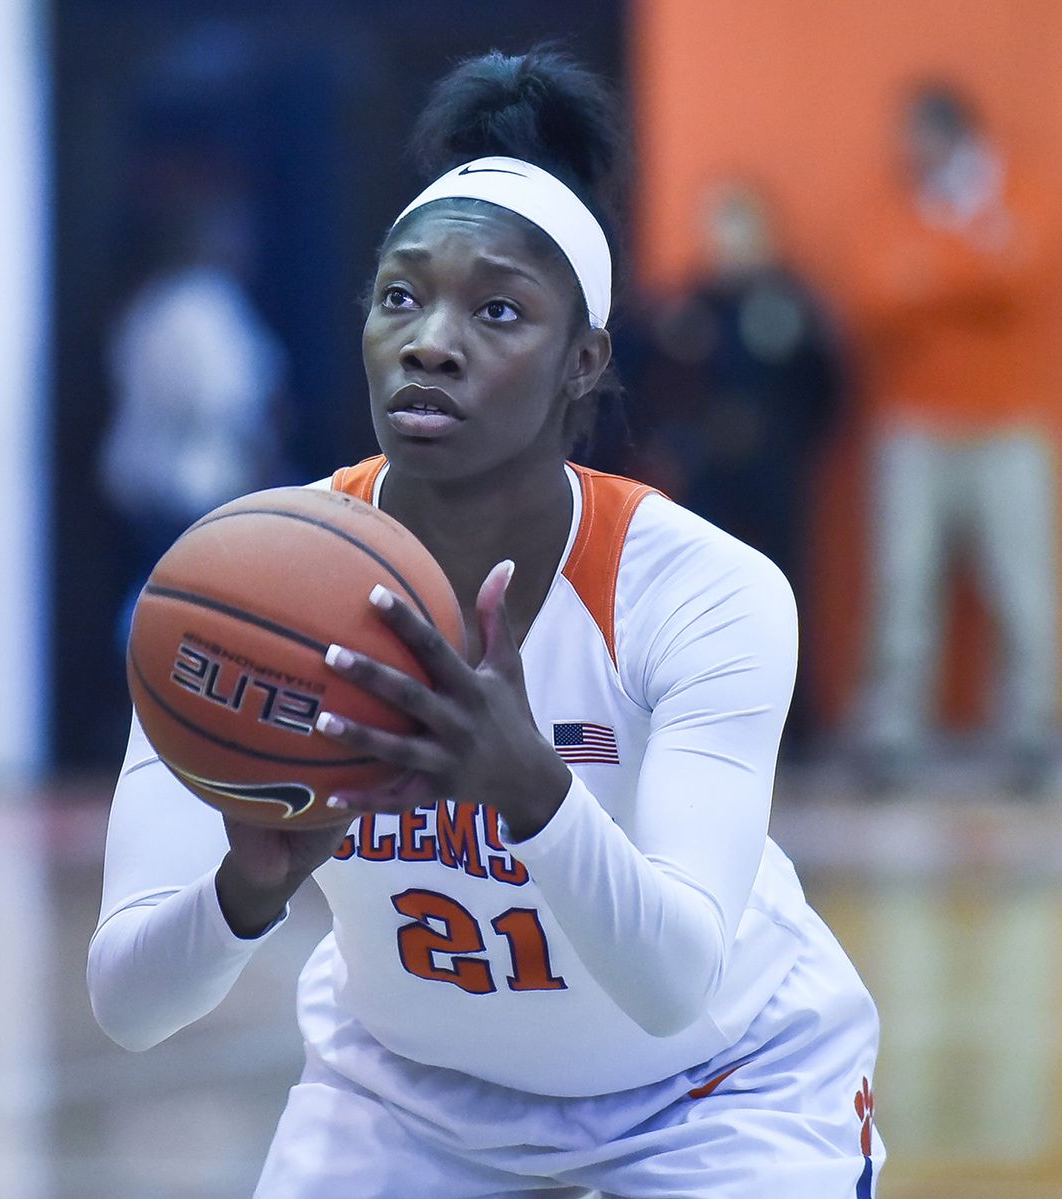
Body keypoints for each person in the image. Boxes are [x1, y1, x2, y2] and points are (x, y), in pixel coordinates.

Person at [88, 48, 883, 1198]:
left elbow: (675, 984)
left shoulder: (701, 589)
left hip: (715, 1086)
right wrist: (241, 895)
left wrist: (534, 789)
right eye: (402, 295)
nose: (432, 340)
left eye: (497, 310)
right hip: (407, 1093)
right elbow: (128, 1001)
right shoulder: (240, 590)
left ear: (585, 362)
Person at [853, 82, 1060, 795]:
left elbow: (1024, 274)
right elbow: (877, 291)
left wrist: (933, 275)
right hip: (915, 426)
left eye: (917, 135)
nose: (906, 151)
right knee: (904, 582)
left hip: (1009, 423)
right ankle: (892, 733)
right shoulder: (898, 204)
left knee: (1024, 585)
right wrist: (971, 268)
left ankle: (1031, 734)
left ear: (952, 133)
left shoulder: (1019, 190)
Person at [620, 181, 847, 757]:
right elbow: (638, 377)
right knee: (704, 597)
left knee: (784, 595)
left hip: (773, 472)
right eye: (721, 229)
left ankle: (794, 731)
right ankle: (702, 719)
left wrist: (794, 443)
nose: (731, 243)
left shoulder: (792, 302)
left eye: (743, 229)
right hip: (709, 474)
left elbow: (830, 385)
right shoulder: (687, 304)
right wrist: (668, 441)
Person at [98, 200, 297, 646]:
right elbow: (238, 406)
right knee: (200, 629)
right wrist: (275, 479)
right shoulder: (206, 303)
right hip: (200, 497)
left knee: (150, 614)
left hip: (140, 497)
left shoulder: (146, 302)